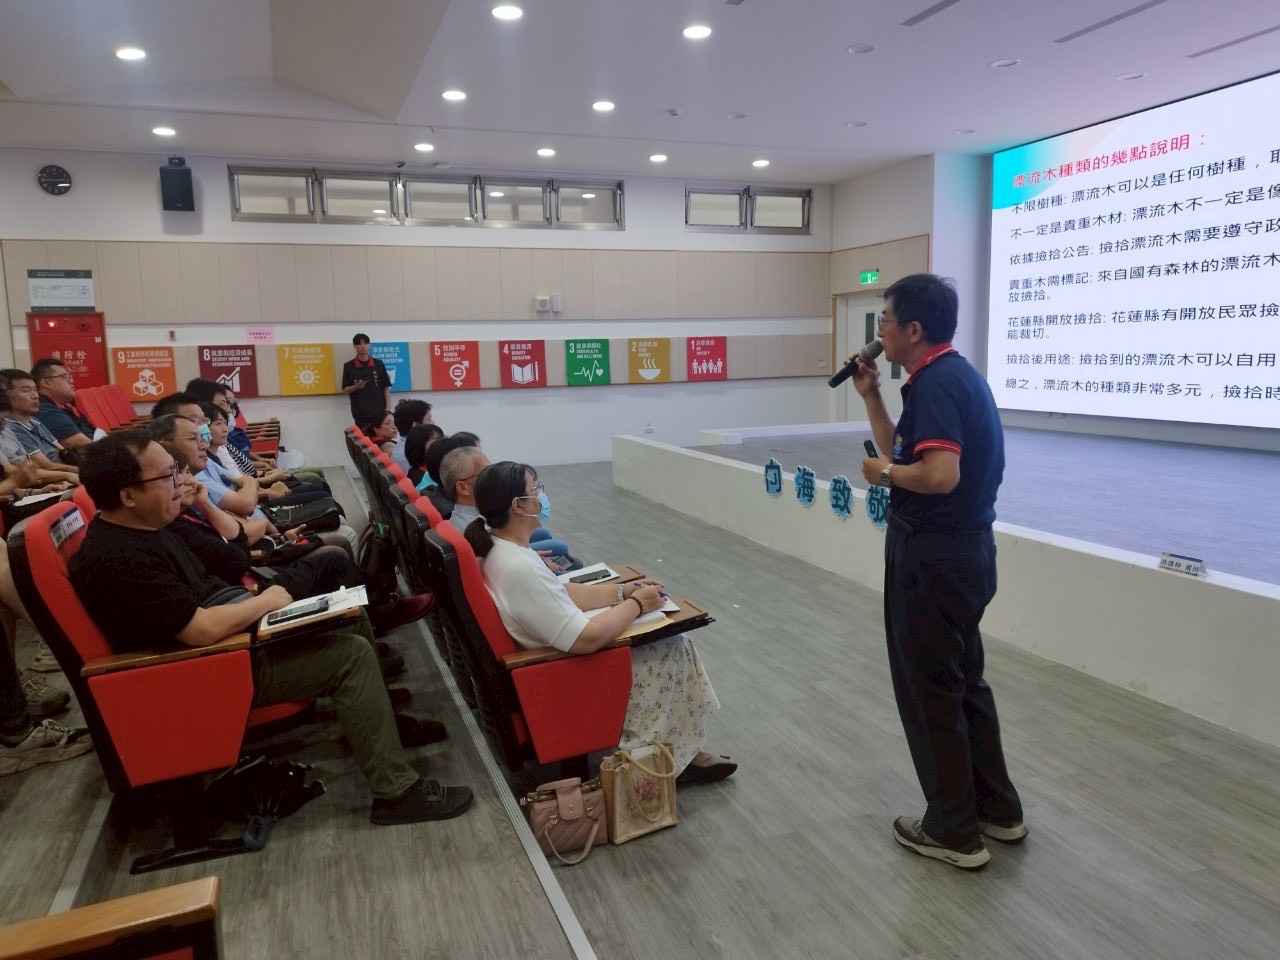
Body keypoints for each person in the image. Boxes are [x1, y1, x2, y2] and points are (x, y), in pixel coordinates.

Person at [68, 432, 473, 824]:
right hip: (203, 669)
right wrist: (266, 601)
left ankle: (378, 727)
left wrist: (264, 605)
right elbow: (199, 632)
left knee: (347, 612)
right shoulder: (120, 560)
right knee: (349, 656)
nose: (180, 484)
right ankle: (396, 792)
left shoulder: (145, 530)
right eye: (168, 477)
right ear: (128, 495)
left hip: (232, 639)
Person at [851, 273, 1024, 870]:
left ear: (914, 329)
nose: (880, 331)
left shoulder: (938, 384)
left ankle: (952, 830)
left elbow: (938, 475)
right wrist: (872, 397)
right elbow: (910, 453)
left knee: (930, 693)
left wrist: (882, 475)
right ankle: (996, 810)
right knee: (964, 684)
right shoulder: (952, 376)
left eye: (885, 320)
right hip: (966, 555)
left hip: (931, 559)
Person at [466, 461, 734, 783]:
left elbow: (563, 593)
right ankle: (650, 768)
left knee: (673, 640)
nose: (543, 495)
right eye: (537, 488)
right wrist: (638, 604)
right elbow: (587, 639)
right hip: (562, 671)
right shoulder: (518, 566)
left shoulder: (504, 550)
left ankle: (679, 751)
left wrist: (623, 592)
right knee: (670, 647)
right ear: (519, 505)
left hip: (555, 657)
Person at [441, 447, 575, 571]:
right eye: (484, 473)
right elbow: (499, 557)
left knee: (544, 534)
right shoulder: (469, 529)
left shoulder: (470, 515)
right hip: (505, 562)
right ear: (463, 488)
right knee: (560, 547)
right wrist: (534, 560)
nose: (493, 477)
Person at [1, 369, 80, 475]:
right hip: (54, 477)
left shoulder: (35, 420)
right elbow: (47, 466)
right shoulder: (10, 427)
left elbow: (62, 451)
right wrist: (82, 472)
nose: (35, 396)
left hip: (65, 473)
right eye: (26, 391)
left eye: (35, 389)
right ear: (7, 395)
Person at [32, 357, 98, 454]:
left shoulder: (66, 407)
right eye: (64, 377)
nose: (71, 381)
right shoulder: (45, 410)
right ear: (46, 383)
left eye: (70, 377)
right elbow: (80, 444)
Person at [341, 334, 390, 428]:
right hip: (360, 413)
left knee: (380, 436)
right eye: (359, 344)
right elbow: (345, 390)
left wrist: (387, 408)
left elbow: (386, 387)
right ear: (354, 346)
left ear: (369, 345)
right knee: (364, 437)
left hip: (380, 411)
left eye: (365, 343)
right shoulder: (349, 366)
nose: (363, 346)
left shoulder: (379, 364)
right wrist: (356, 387)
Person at [390, 399, 432, 474]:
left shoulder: (404, 448)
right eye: (429, 419)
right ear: (416, 426)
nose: (433, 423)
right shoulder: (409, 456)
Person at [404, 423, 444, 489]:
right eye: (436, 439)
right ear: (419, 445)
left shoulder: (417, 471)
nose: (442, 444)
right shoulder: (422, 481)